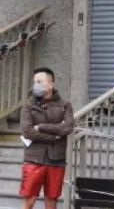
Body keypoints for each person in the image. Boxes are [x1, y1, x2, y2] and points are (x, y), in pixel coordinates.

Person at [19, 67, 73, 209]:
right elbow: (27, 131)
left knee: (51, 201)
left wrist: (41, 127)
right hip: (34, 158)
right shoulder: (29, 105)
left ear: (50, 84)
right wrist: (55, 136)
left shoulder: (65, 105)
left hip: (57, 159)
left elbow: (67, 127)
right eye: (35, 82)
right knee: (29, 200)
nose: (36, 85)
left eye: (40, 81)